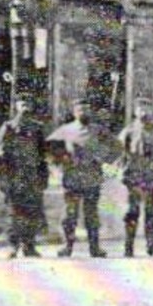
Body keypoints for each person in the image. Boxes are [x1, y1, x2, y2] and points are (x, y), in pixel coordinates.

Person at [48, 98, 111, 258]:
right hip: (72, 178)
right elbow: (49, 149)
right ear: (74, 112)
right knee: (69, 214)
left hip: (92, 177)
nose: (83, 112)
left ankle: (94, 247)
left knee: (92, 214)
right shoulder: (65, 130)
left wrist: (101, 156)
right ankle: (67, 246)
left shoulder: (99, 130)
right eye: (80, 110)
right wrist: (60, 162)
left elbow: (114, 148)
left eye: (86, 109)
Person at [0, 96, 49, 258]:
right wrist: (3, 178)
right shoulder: (8, 127)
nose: (25, 106)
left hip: (32, 177)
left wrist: (43, 177)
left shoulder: (37, 128)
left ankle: (29, 246)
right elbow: (0, 155)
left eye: (28, 103)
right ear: (16, 106)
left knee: (32, 212)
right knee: (14, 212)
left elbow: (42, 156)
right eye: (22, 103)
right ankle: (13, 245)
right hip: (14, 176)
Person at [116, 96, 153, 257]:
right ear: (135, 111)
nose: (143, 112)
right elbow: (119, 154)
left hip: (152, 177)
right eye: (140, 108)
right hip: (135, 178)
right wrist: (123, 172)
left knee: (151, 212)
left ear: (152, 110)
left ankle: (151, 246)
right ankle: (128, 246)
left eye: (147, 108)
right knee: (132, 211)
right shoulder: (128, 131)